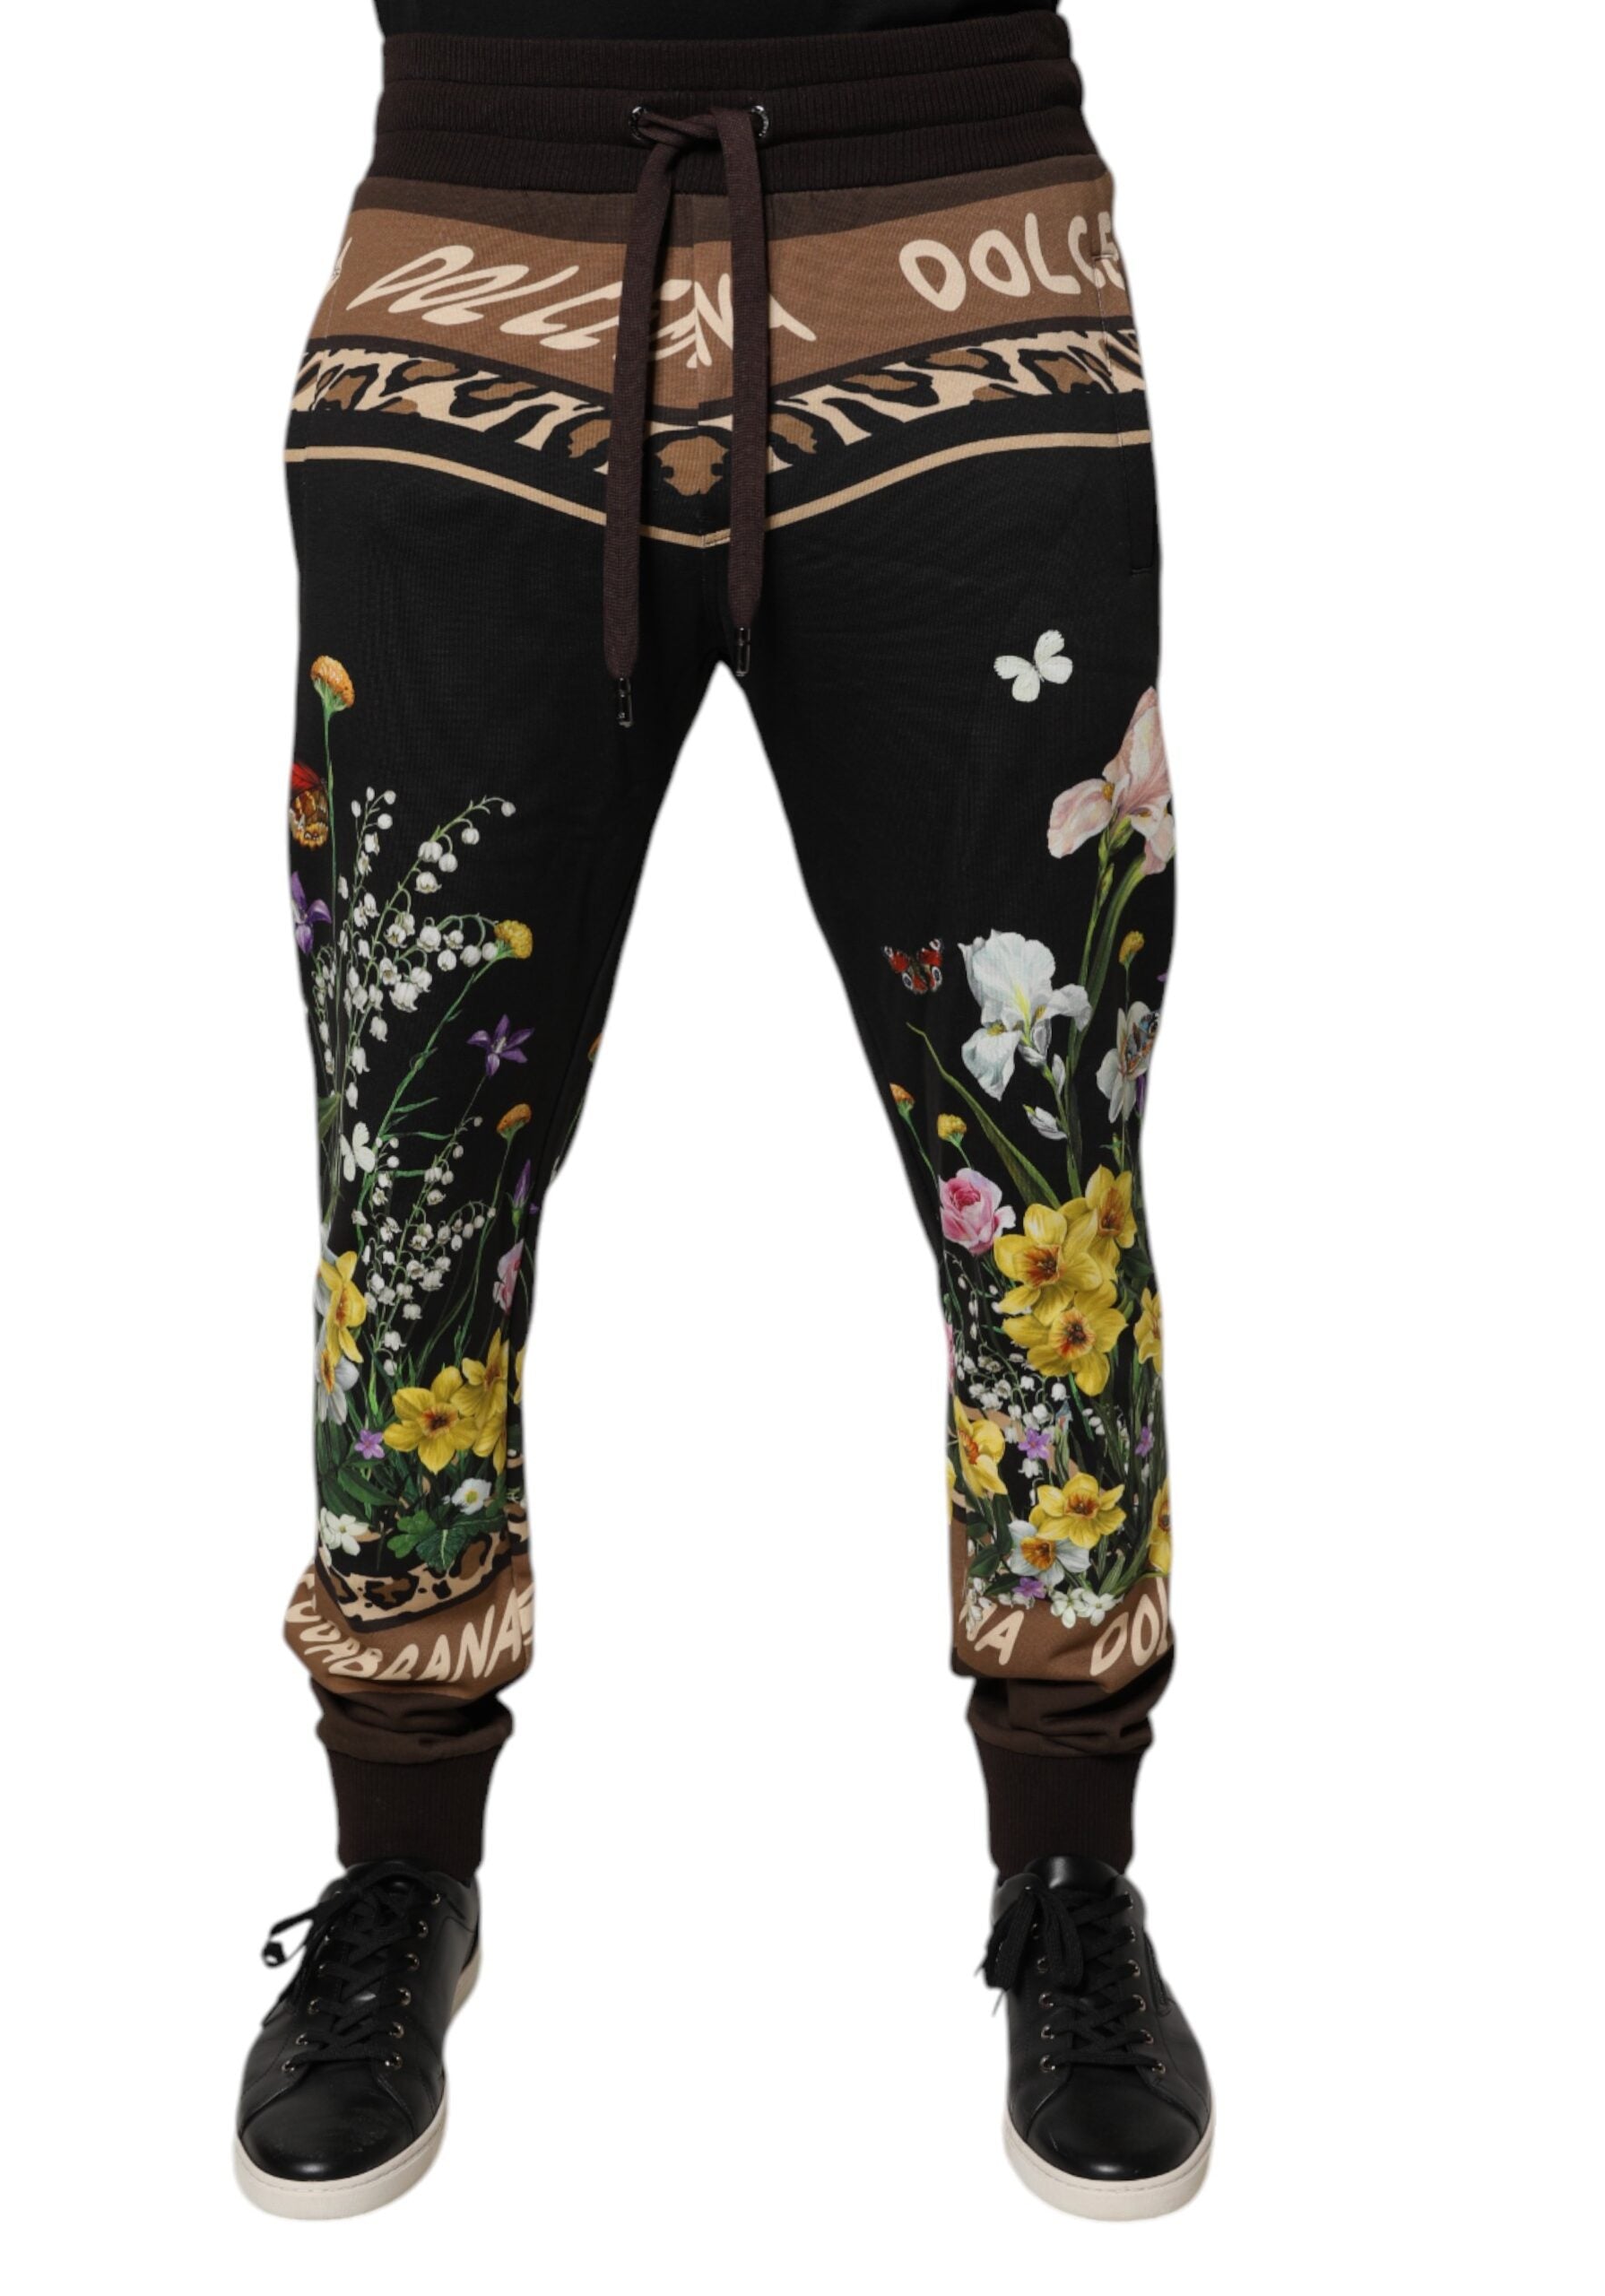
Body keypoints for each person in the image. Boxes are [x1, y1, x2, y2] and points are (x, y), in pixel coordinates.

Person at [235, 0, 1211, 2222]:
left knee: (1035, 1152)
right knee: (410, 1152)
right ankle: (397, 1861)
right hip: (471, 249)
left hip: (965, 245)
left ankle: (1069, 1869)